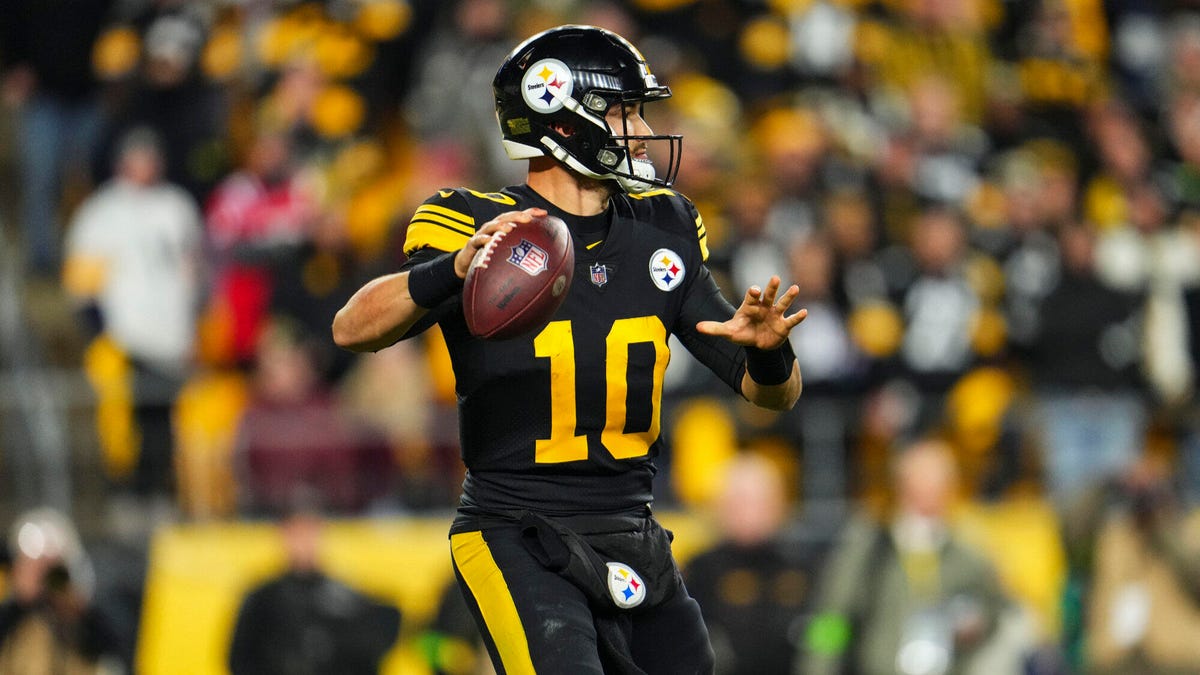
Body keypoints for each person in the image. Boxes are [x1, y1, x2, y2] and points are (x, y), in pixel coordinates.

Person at [333, 25, 806, 674]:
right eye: (622, 111)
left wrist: (770, 352)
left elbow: (770, 394)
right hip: (517, 530)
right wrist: (453, 271)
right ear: (563, 120)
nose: (640, 131)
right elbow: (351, 328)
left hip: (634, 533)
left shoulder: (661, 225)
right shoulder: (475, 221)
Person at [799, 439, 1009, 675]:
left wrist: (978, 621)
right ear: (901, 486)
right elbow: (832, 617)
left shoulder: (968, 555)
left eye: (938, 485)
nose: (928, 495)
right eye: (919, 484)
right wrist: (817, 668)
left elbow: (997, 614)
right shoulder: (869, 549)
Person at [228, 507, 401, 675]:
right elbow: (238, 660)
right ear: (283, 536)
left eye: (309, 533)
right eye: (297, 534)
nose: (304, 542)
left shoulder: (346, 597)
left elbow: (378, 640)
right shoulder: (263, 599)